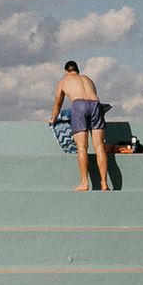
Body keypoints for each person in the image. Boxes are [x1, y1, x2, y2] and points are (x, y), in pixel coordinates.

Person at [48, 60, 110, 192]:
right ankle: (104, 183)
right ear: (78, 70)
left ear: (66, 72)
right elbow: (92, 95)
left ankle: (84, 183)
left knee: (82, 147)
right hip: (95, 104)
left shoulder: (64, 81)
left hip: (79, 105)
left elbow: (57, 104)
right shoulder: (88, 79)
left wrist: (53, 118)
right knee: (99, 146)